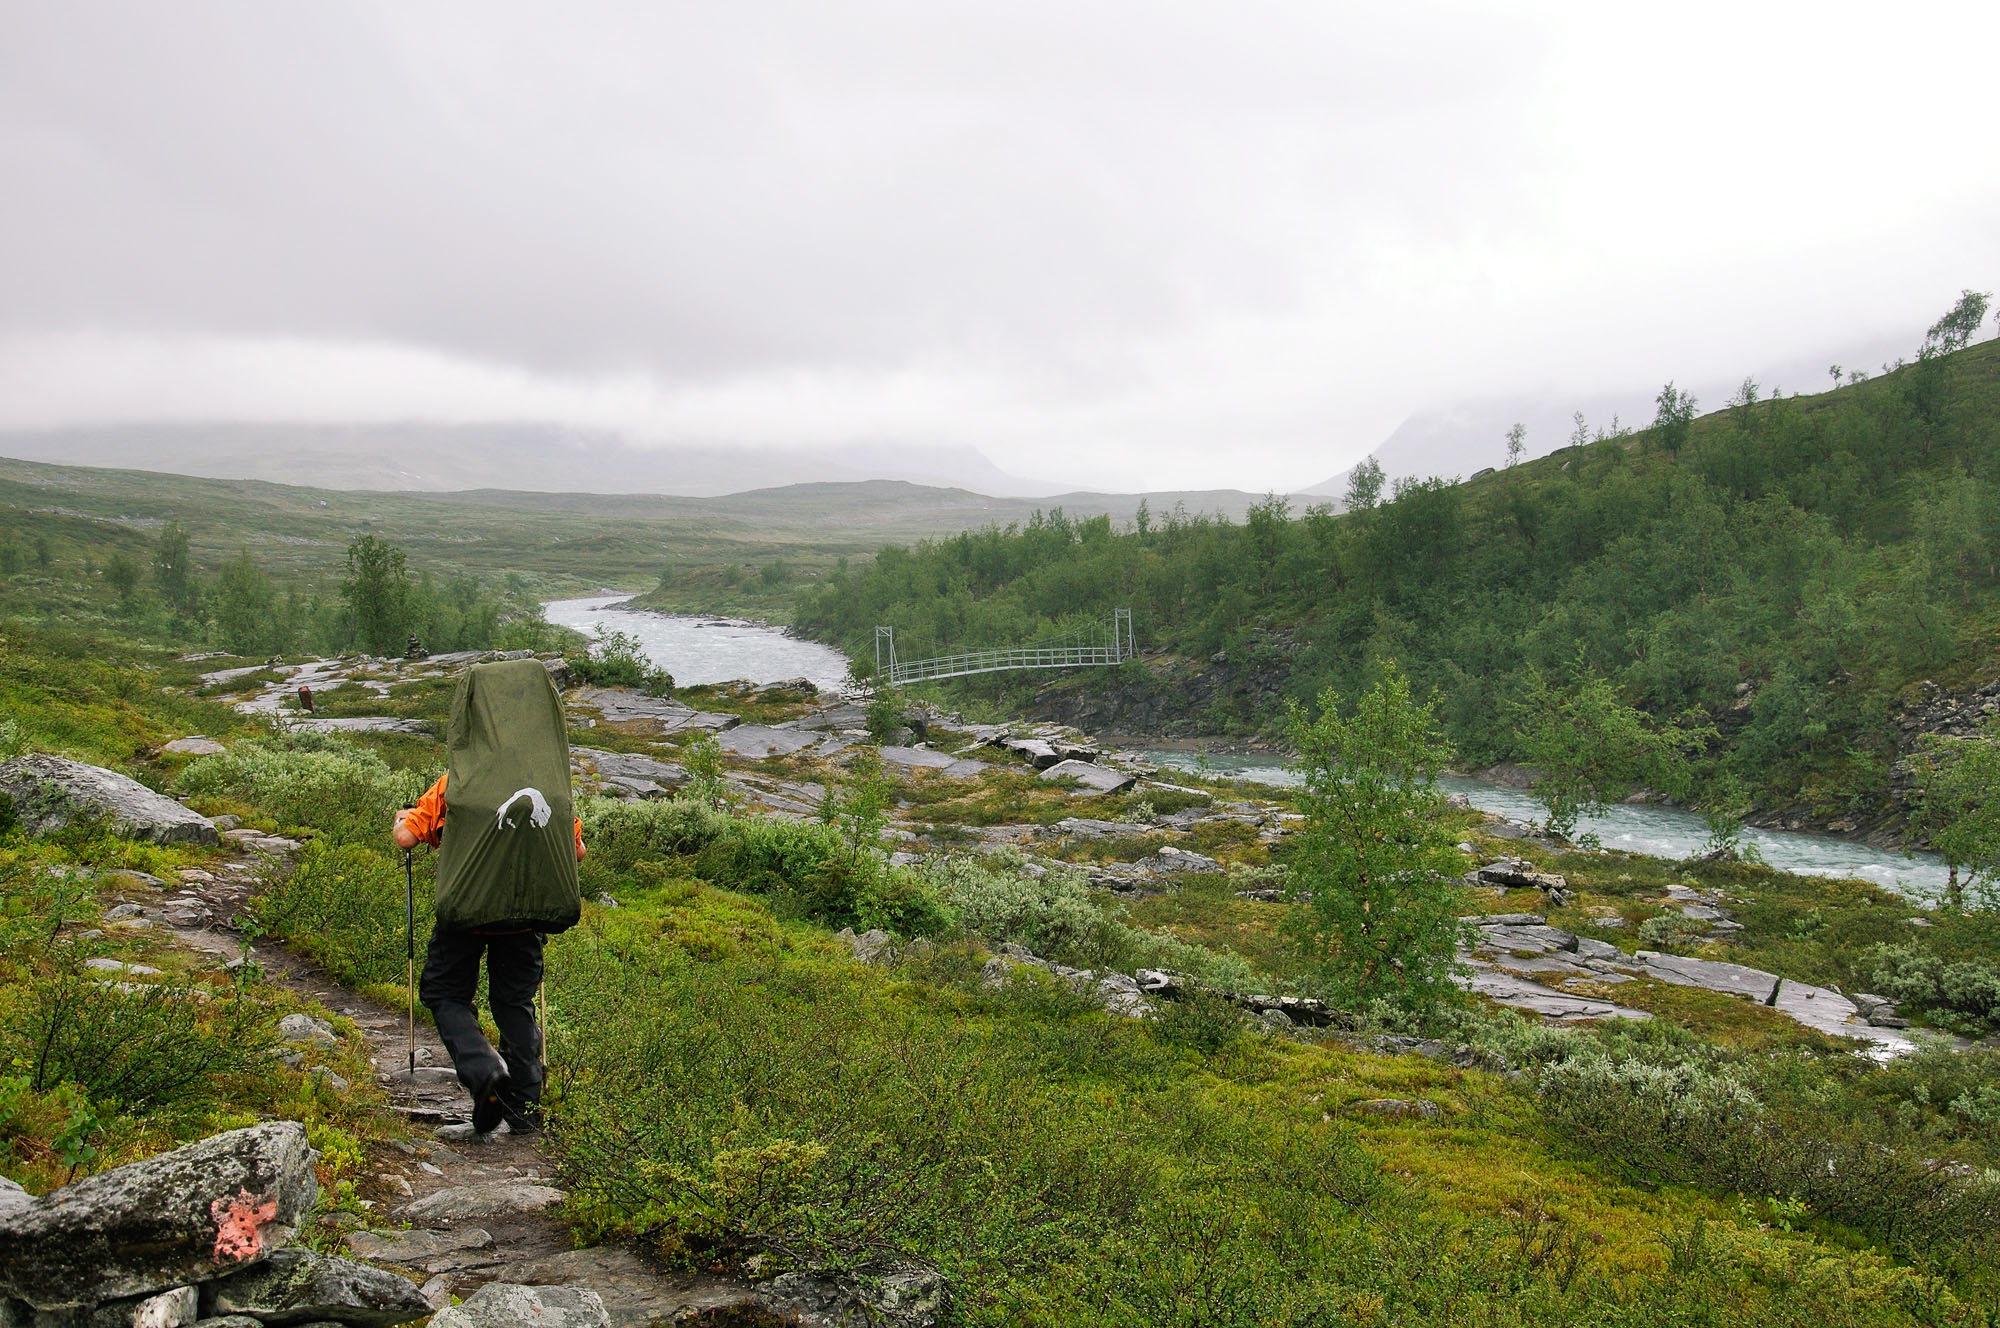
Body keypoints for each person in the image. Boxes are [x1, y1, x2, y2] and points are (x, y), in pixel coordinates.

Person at [391, 658, 585, 1141]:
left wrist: (402, 819)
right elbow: (575, 850)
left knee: (444, 994)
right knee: (513, 1005)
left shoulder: (457, 782)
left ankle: (483, 1073)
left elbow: (407, 840)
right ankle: (525, 1111)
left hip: (467, 916)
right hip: (524, 920)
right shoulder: (550, 786)